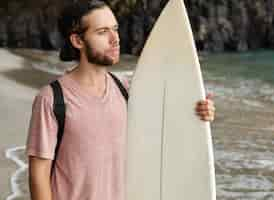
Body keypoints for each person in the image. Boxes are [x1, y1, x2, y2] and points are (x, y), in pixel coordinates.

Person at [26, 1, 216, 200]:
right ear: (78, 41)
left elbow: (164, 130)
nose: (115, 39)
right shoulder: (52, 99)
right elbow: (38, 176)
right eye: (102, 32)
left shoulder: (125, 90)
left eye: (115, 29)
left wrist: (199, 112)